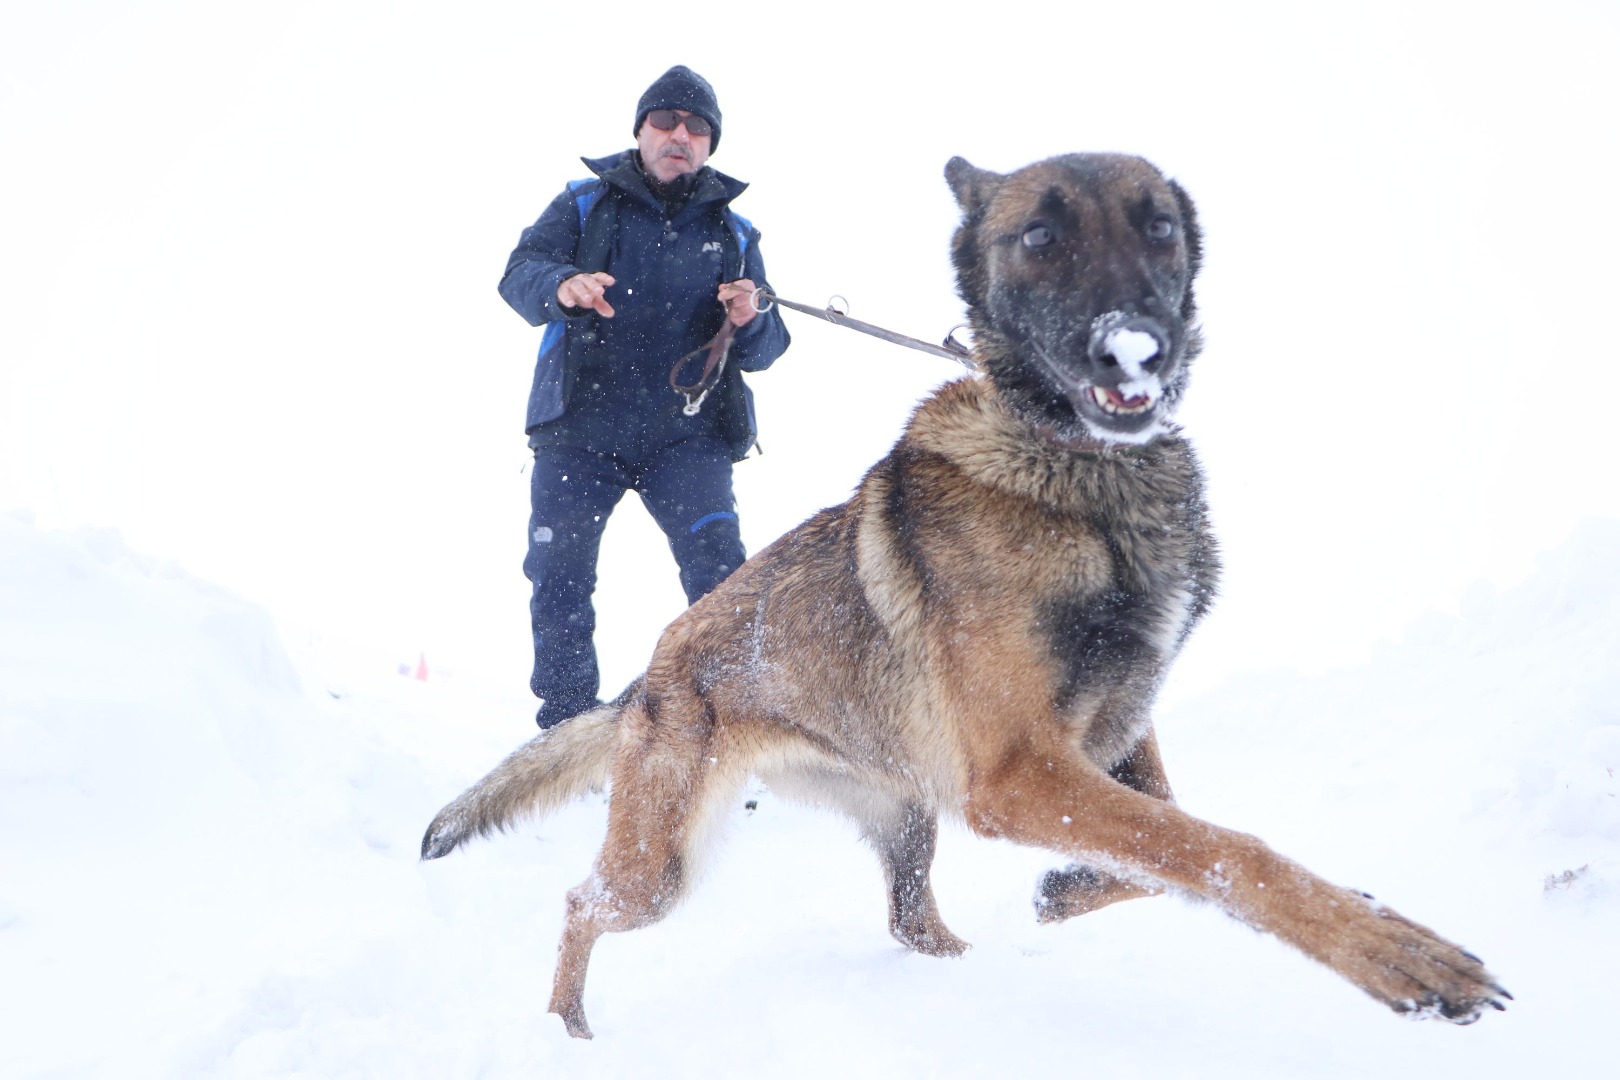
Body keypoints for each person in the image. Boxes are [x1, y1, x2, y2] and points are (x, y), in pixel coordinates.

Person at [498, 65, 791, 728]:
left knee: (722, 583)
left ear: (710, 145)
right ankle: (569, 728)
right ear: (640, 131)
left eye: (696, 127)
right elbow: (520, 275)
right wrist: (562, 285)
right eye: (665, 121)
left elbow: (769, 348)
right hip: (580, 430)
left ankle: (728, 731)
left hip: (685, 438)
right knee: (559, 573)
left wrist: (754, 318)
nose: (679, 135)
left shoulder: (737, 235)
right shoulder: (581, 204)